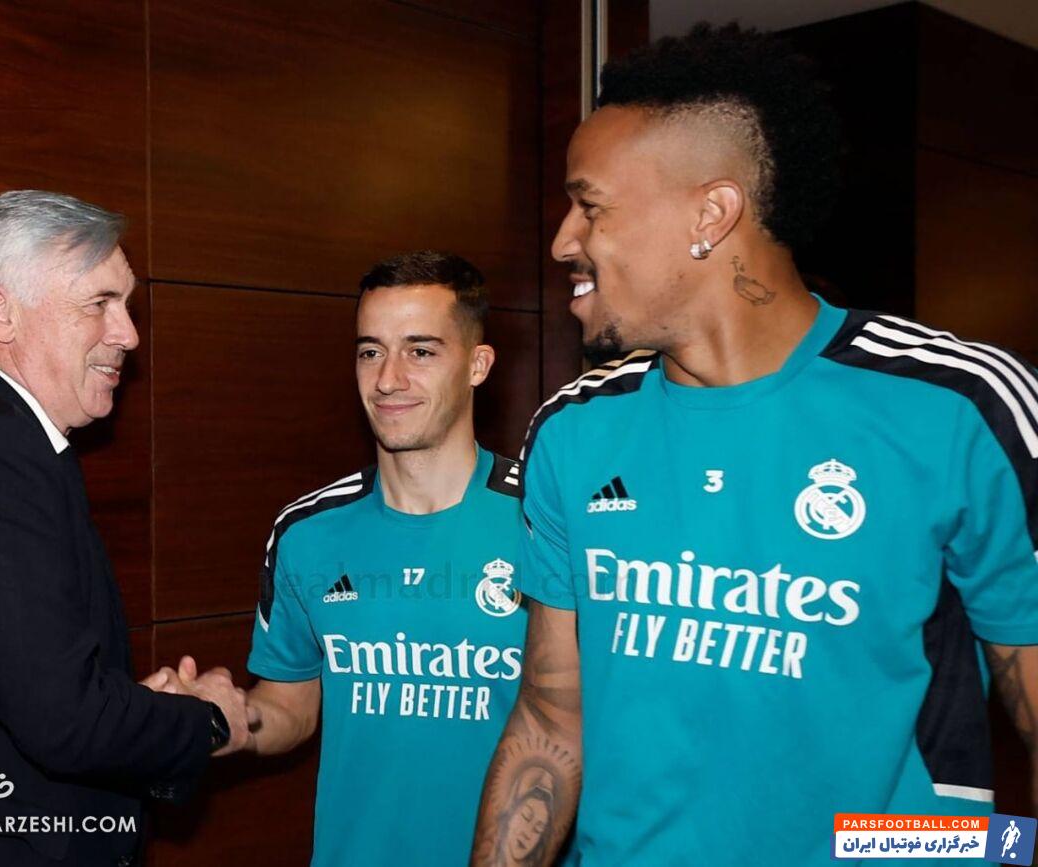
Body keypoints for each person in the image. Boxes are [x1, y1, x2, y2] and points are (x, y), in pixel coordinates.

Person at [472, 23, 1038, 866]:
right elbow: (551, 720)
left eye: (589, 205)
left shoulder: (961, 406)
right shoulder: (574, 428)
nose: (562, 240)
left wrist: (985, 849)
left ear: (712, 213)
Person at [0, 191, 250, 867]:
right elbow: (61, 718)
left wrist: (132, 708)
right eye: (100, 303)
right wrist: (206, 720)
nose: (129, 333)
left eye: (127, 305)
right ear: (3, 313)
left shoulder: (2, 442)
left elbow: (22, 686)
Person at [243, 251, 528, 865]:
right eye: (371, 351)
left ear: (478, 365)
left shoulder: (546, 523)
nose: (388, 380)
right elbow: (288, 706)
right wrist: (218, 722)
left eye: (420, 351)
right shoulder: (307, 533)